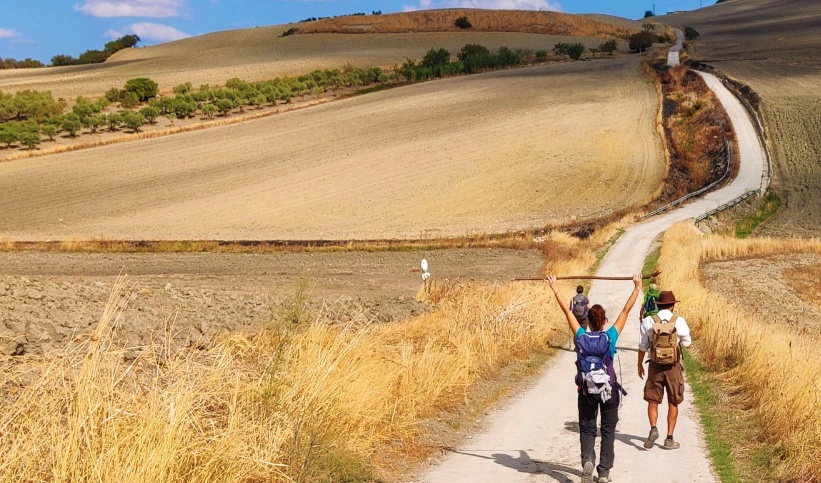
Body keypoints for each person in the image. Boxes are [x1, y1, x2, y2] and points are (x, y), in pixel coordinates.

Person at [547, 274, 642, 483]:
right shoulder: (610, 336)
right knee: (608, 431)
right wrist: (636, 288)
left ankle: (588, 461)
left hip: (587, 391)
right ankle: (604, 472)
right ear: (604, 321)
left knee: (588, 428)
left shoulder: (580, 336)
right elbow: (626, 311)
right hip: (608, 392)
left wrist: (555, 288)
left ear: (588, 321)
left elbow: (567, 311)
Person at [637, 290, 692, 450]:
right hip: (673, 367)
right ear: (673, 305)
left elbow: (643, 346)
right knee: (673, 401)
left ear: (659, 304)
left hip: (655, 365)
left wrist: (639, 364)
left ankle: (653, 428)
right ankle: (669, 438)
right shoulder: (679, 321)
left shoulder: (649, 321)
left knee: (653, 400)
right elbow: (687, 342)